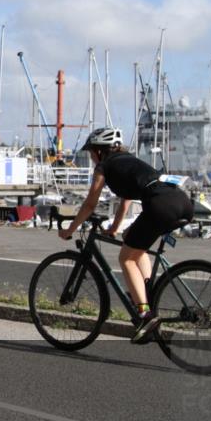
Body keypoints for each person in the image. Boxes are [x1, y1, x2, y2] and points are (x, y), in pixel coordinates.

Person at [58, 127, 194, 344]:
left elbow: (90, 204)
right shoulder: (129, 162)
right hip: (181, 201)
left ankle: (144, 314)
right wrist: (114, 228)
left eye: (91, 152)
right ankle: (147, 294)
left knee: (126, 258)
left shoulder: (104, 167)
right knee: (133, 241)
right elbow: (125, 201)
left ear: (100, 151)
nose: (91, 157)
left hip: (160, 205)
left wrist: (70, 230)